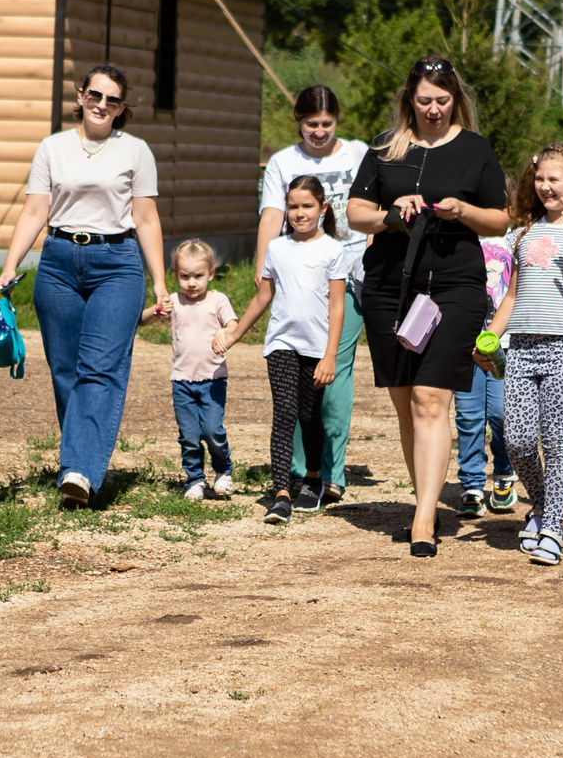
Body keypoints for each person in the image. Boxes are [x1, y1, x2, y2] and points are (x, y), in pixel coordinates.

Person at [346, 57, 509, 556]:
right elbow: (355, 212)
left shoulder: (475, 150)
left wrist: (464, 211)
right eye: (424, 101)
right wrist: (392, 215)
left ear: (455, 99)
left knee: (430, 399)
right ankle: (427, 501)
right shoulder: (385, 147)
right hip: (391, 286)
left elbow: (501, 220)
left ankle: (422, 521)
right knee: (405, 404)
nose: (433, 110)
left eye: (442, 101)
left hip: (455, 285)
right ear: (409, 102)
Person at [0, 63, 172, 507]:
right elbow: (36, 210)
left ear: (121, 108)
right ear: (80, 95)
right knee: (65, 373)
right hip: (57, 263)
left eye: (112, 100)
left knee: (100, 369)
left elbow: (146, 218)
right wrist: (10, 263)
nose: (101, 105)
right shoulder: (52, 148)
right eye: (95, 95)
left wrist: (160, 283)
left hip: (117, 264)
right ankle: (82, 462)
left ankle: (78, 472)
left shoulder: (135, 151)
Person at [481, 145, 563, 566]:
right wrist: (489, 335)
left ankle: (553, 529)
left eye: (554, 179)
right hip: (521, 348)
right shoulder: (523, 233)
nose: (544, 186)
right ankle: (540, 506)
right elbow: (513, 296)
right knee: (517, 440)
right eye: (539, 178)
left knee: (557, 442)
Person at [257, 85, 369, 507]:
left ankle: (333, 473)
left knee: (334, 373)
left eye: (326, 124)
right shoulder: (284, 162)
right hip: (298, 275)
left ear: (337, 120)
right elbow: (271, 214)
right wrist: (260, 266)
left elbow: (374, 204)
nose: (319, 132)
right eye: (310, 124)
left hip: (348, 275)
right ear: (298, 122)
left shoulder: (357, 153)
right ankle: (301, 471)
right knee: (300, 383)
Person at [218, 177, 347, 524]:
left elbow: (337, 306)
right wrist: (234, 334)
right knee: (285, 412)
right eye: (293, 206)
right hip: (281, 344)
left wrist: (331, 355)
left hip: (317, 348)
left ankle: (313, 478)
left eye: (307, 206)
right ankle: (281, 494)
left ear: (322, 208)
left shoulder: (333, 250)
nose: (299, 213)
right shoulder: (277, 248)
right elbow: (264, 296)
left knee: (309, 415)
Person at [157, 239, 238, 501]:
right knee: (189, 436)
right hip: (182, 381)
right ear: (176, 275)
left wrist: (222, 331)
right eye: (184, 276)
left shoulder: (218, 301)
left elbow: (234, 326)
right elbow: (147, 318)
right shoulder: (175, 302)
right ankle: (194, 480)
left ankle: (223, 470)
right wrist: (157, 308)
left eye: (198, 276)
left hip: (213, 379)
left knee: (212, 431)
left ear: (211, 274)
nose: (192, 283)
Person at [452, 234, 516, 516]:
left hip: (506, 344)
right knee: (468, 416)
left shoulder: (514, 240)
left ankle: (503, 472)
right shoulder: (458, 239)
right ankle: (472, 484)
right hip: (465, 344)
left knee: (502, 414)